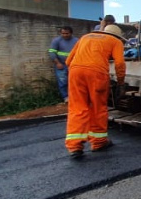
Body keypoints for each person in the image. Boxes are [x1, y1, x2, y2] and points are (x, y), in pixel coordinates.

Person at [64, 24, 126, 159]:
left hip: (75, 72)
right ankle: (98, 142)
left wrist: (79, 72)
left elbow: (68, 60)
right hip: (97, 74)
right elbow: (120, 63)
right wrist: (121, 82)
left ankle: (75, 146)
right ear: (117, 36)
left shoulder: (85, 37)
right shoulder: (116, 42)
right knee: (98, 108)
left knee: (77, 108)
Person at [48, 26, 78, 103]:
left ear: (71, 33)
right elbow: (52, 52)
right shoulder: (56, 41)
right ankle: (66, 97)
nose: (65, 35)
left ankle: (75, 96)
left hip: (73, 64)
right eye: (63, 33)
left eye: (67, 33)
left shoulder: (76, 41)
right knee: (63, 81)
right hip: (61, 64)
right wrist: (57, 63)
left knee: (74, 81)